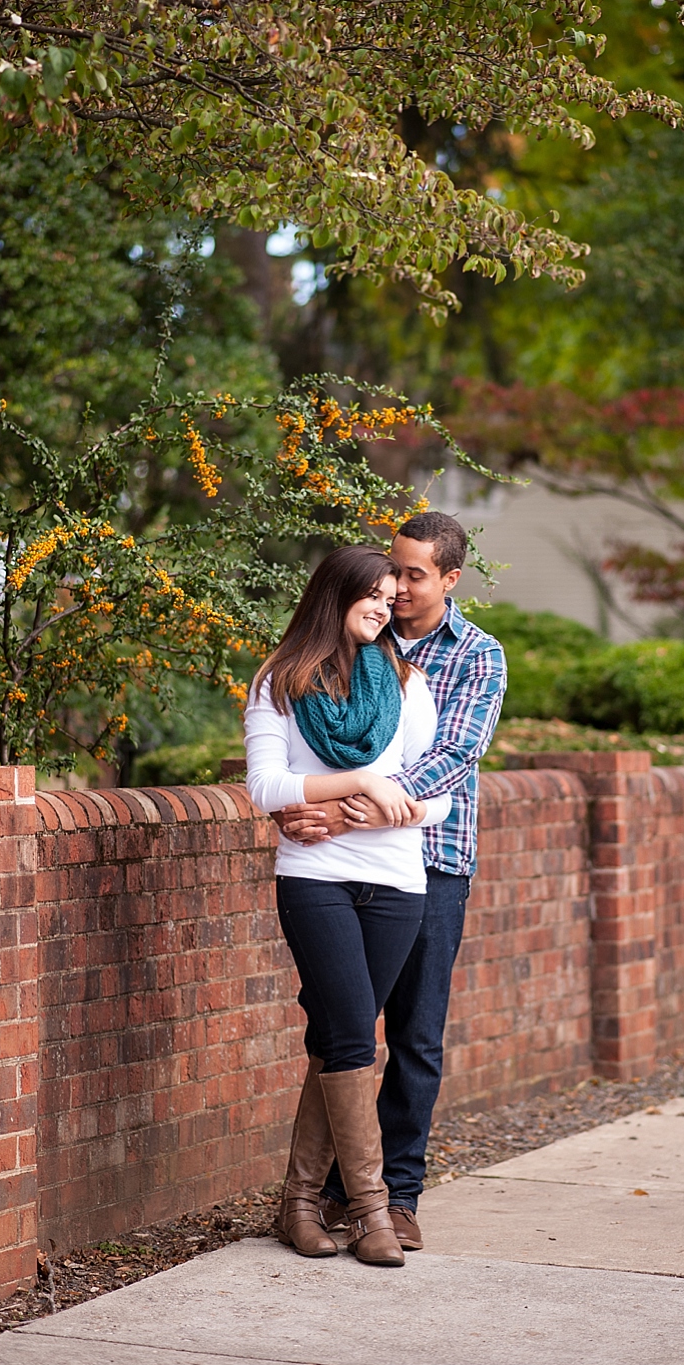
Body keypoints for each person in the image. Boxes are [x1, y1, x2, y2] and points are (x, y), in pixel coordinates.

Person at [276, 511, 507, 1251]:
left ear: (448, 578)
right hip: (334, 868)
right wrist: (296, 806)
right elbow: (288, 755)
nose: (400, 589)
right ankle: (321, 1198)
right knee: (342, 1026)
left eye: (415, 575)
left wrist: (344, 812)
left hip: (431, 860)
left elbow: (451, 758)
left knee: (413, 1033)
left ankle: (395, 1196)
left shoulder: (476, 655)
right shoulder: (346, 638)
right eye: (393, 572)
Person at [243, 544, 452, 1268]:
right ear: (334, 596)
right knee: (354, 1039)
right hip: (314, 877)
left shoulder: (407, 682)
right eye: (371, 592)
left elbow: (438, 797)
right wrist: (368, 779)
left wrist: (348, 808)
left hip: (397, 882)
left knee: (340, 1037)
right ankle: (370, 1212)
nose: (383, 604)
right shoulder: (281, 682)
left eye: (390, 593)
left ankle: (300, 1203)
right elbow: (268, 789)